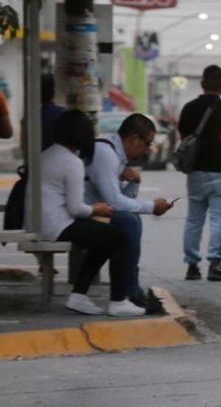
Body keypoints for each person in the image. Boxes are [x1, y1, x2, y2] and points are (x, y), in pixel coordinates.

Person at [30, 109, 144, 316]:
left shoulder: (48, 153)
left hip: (39, 222)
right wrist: (96, 209)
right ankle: (118, 301)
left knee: (106, 239)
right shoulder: (71, 161)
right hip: (55, 225)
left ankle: (79, 295)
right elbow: (76, 209)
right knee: (120, 238)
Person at [84, 113, 174, 309]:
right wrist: (152, 207)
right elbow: (115, 202)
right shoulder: (107, 155)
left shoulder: (116, 153)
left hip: (93, 210)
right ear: (134, 139)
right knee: (128, 222)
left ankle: (129, 291)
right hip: (80, 212)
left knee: (129, 220)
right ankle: (126, 294)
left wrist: (134, 182)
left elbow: (123, 201)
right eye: (147, 143)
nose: (148, 150)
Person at [178, 65, 221, 282]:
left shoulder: (188, 109)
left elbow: (184, 138)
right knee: (219, 219)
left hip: (196, 172)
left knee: (194, 220)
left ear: (202, 84)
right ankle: (215, 264)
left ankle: (192, 266)